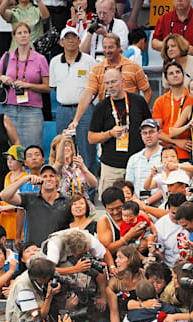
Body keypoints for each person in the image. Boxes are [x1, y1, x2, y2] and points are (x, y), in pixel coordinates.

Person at [67, 33, 151, 135]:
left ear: (119, 47)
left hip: (129, 118)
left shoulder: (134, 66)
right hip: (107, 118)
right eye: (105, 47)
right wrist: (76, 119)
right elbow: (88, 94)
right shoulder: (97, 68)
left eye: (111, 47)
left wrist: (138, 112)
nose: (107, 51)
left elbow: (147, 91)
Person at [89, 68, 151, 197]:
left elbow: (149, 128)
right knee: (111, 204)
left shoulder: (138, 101)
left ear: (122, 81)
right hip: (112, 165)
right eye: (107, 83)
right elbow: (91, 138)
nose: (110, 86)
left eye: (114, 82)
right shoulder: (101, 106)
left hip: (137, 163)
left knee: (139, 202)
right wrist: (110, 133)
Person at [0, 23, 49, 149]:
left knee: (32, 150)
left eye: (25, 32)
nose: (23, 35)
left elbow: (47, 87)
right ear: (14, 37)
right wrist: (2, 78)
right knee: (9, 150)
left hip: (32, 110)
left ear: (30, 36)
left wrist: (28, 85)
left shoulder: (40, 59)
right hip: (9, 108)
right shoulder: (7, 56)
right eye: (19, 33)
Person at [49, 27, 96, 169]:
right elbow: (54, 86)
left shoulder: (89, 61)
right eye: (67, 38)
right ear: (61, 42)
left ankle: (90, 189)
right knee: (64, 150)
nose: (70, 40)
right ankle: (66, 187)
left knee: (87, 151)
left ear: (79, 40)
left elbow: (95, 86)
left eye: (73, 37)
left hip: (85, 111)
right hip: (63, 110)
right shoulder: (55, 62)